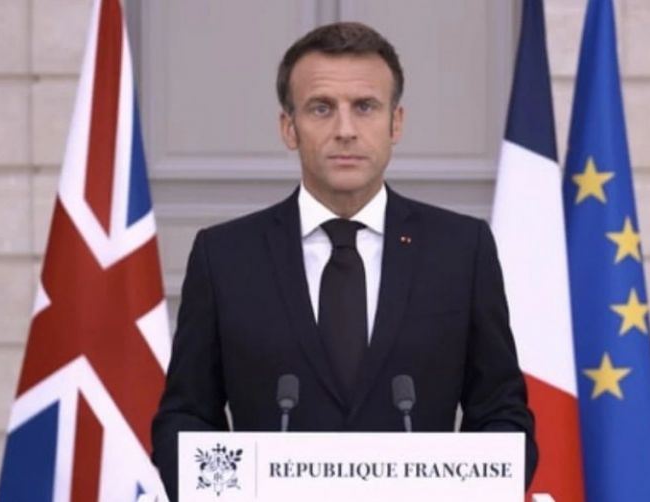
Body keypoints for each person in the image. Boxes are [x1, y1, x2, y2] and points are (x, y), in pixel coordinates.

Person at [151, 21, 537, 499]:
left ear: (396, 123)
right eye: (321, 108)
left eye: (365, 107)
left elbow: (501, 414)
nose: (345, 130)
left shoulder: (461, 249)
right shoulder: (225, 256)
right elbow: (186, 417)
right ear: (289, 128)